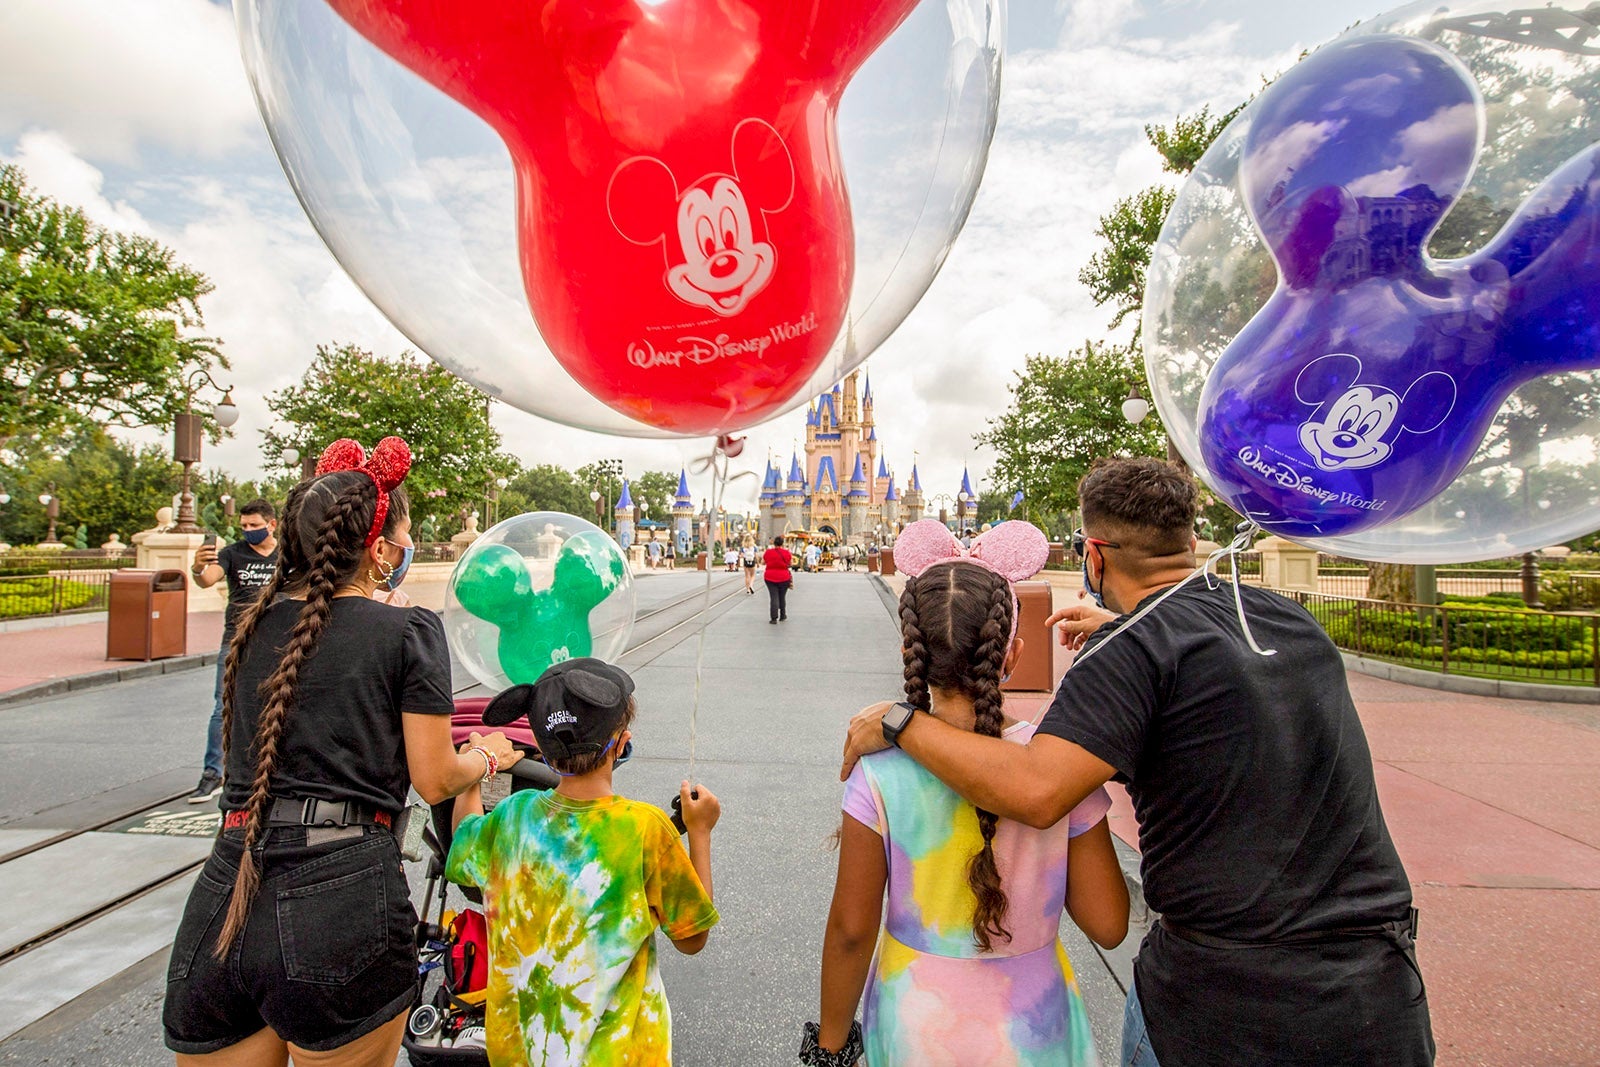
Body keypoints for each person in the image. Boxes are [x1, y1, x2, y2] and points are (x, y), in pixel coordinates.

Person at [841, 457, 1433, 1067]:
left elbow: (1037, 790)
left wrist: (900, 720)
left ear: (1093, 556)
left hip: (1229, 1003)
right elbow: (1199, 663)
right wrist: (1128, 630)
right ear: (1188, 538)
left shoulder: (1132, 652)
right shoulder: (1284, 618)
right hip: (1376, 988)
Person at [163, 438, 523, 1066]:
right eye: (405, 536)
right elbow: (435, 778)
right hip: (339, 895)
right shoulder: (408, 630)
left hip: (226, 890)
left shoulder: (252, 625)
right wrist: (488, 756)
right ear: (380, 550)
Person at [810, 520, 1128, 1066]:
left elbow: (849, 931)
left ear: (911, 651)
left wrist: (830, 1046)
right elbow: (1108, 922)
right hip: (1036, 1029)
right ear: (1011, 655)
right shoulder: (1057, 765)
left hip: (916, 1026)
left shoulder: (881, 769)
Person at [448, 658, 721, 1064]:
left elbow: (463, 838)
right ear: (622, 741)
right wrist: (699, 831)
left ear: (540, 746)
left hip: (521, 1054)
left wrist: (479, 761)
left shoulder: (511, 817)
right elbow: (691, 938)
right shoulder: (644, 828)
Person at [187, 498, 280, 803]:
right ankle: (213, 773)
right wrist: (199, 565)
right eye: (244, 526)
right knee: (223, 706)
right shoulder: (232, 554)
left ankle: (273, 770)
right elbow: (206, 580)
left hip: (278, 638)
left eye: (254, 526)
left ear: (272, 524)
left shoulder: (287, 555)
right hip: (237, 639)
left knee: (277, 703)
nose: (248, 531)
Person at [764, 534, 793, 624]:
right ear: (782, 543)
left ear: (774, 543)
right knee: (782, 596)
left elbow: (763, 561)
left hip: (770, 577)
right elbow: (790, 564)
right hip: (784, 577)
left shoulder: (768, 552)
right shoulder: (787, 552)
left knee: (774, 597)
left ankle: (773, 618)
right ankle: (783, 615)